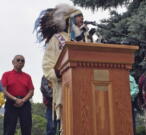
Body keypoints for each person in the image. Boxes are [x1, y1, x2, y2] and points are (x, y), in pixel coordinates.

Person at [34, 3, 93, 135]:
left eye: (83, 16)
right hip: (65, 86)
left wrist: (88, 37)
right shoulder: (57, 39)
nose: (82, 19)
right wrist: (58, 73)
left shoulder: (85, 38)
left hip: (87, 86)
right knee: (67, 125)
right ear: (70, 19)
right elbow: (47, 65)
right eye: (79, 16)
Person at [1, 55, 34, 135]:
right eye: (18, 60)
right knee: (9, 129)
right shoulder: (6, 74)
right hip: (11, 103)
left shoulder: (27, 76)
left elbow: (31, 90)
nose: (20, 62)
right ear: (13, 62)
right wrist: (15, 99)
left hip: (25, 103)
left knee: (26, 129)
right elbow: (4, 90)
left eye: (22, 61)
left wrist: (23, 100)